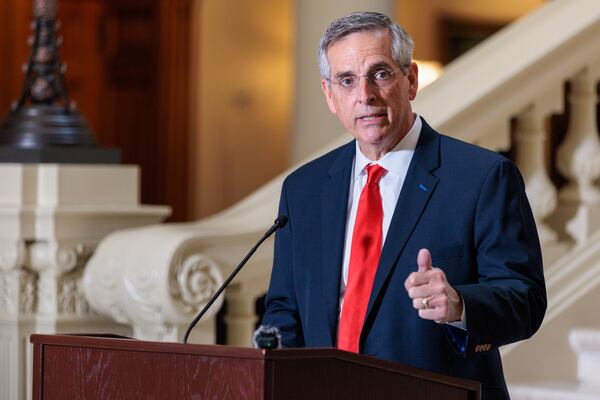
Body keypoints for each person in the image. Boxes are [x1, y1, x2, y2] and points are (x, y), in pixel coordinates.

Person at [262, 11, 546, 400]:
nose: (365, 95)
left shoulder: (482, 177)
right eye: (347, 80)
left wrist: (460, 304)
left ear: (410, 80)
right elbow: (284, 308)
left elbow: (525, 300)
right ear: (330, 95)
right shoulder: (304, 189)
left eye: (380, 74)